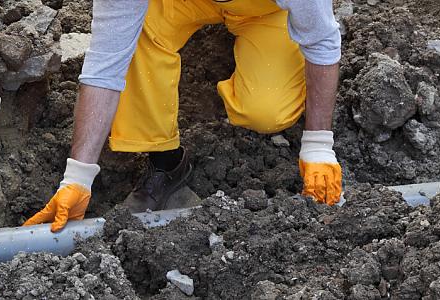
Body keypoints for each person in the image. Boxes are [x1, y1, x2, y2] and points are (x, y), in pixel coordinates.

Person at [23, 0, 343, 232]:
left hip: (267, 9)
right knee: (135, 36)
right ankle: (167, 160)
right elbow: (106, 64)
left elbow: (322, 41)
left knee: (266, 111)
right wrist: (78, 177)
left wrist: (318, 144)